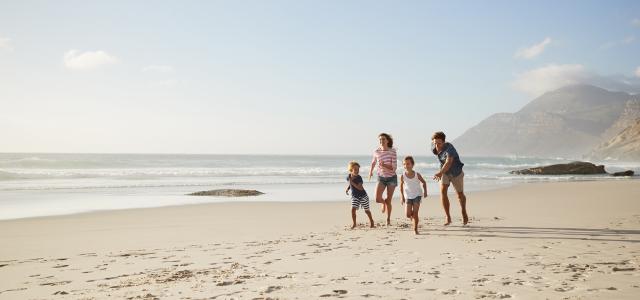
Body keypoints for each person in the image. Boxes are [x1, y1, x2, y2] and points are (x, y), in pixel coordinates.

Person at [431, 131, 469, 225]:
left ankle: (463, 211)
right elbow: (442, 161)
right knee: (443, 191)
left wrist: (440, 173)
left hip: (456, 173)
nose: (437, 145)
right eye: (435, 143)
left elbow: (448, 162)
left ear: (444, 142)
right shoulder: (434, 148)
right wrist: (442, 172)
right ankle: (448, 217)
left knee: (460, 194)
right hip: (445, 172)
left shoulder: (450, 148)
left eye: (439, 143)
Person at [368, 133, 397, 225]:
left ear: (387, 140)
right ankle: (383, 203)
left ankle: (388, 219)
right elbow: (373, 162)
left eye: (383, 139)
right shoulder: (376, 151)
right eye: (380, 139)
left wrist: (384, 165)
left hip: (391, 178)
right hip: (381, 178)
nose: (381, 141)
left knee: (389, 200)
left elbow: (394, 167)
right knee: (377, 199)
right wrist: (370, 171)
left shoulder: (392, 151)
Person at [399, 156, 428, 234]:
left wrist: (425, 192)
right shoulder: (402, 176)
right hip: (408, 195)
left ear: (412, 165)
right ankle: (415, 219)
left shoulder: (417, 174)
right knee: (408, 214)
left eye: (408, 164)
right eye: (404, 164)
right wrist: (402, 196)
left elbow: (424, 182)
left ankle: (415, 229)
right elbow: (401, 186)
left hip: (417, 195)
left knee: (415, 213)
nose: (406, 166)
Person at [346, 161, 375, 229]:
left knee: (367, 211)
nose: (357, 171)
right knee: (353, 209)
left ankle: (372, 221)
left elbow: (360, 188)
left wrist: (352, 183)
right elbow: (350, 184)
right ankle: (354, 223)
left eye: (358, 169)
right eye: (355, 169)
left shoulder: (359, 178)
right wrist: (347, 189)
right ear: (351, 170)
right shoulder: (348, 177)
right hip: (355, 196)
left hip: (363, 196)